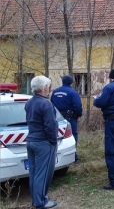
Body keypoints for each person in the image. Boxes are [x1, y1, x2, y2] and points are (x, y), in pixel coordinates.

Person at [25, 75, 58, 209]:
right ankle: (41, 202)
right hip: (43, 143)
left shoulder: (29, 102)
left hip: (31, 140)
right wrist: (53, 141)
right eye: (49, 86)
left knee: (34, 173)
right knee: (44, 174)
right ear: (44, 88)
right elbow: (50, 126)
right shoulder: (46, 103)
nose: (50, 89)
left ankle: (36, 199)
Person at [50, 75, 83, 164]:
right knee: (72, 137)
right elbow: (77, 106)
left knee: (58, 137)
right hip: (69, 118)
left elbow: (51, 105)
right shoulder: (72, 92)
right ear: (71, 82)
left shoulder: (55, 92)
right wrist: (78, 115)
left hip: (57, 118)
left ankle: (57, 156)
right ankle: (73, 157)